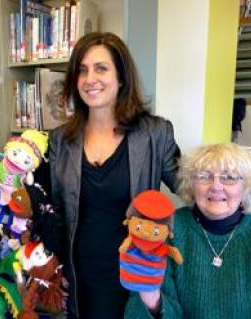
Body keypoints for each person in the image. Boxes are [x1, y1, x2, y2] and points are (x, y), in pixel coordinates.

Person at [49, 32, 180, 319]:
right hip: (81, 272)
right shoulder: (60, 139)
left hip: (134, 267)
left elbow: (189, 184)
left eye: (101, 68)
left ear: (121, 77)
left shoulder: (154, 133)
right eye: (81, 71)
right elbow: (56, 211)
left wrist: (245, 200)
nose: (89, 79)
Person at [124, 143, 251, 318]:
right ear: (191, 184)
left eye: (229, 177)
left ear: (246, 187)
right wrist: (152, 301)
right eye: (204, 176)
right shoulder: (167, 231)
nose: (216, 186)